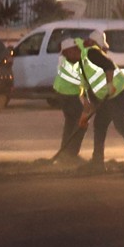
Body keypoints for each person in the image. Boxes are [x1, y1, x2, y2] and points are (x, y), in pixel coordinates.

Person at [84, 35, 124, 167]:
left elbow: (109, 66)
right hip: (108, 95)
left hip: (117, 91)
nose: (105, 52)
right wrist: (94, 102)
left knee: (120, 122)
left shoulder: (91, 52)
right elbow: (89, 83)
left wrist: (109, 86)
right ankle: (97, 159)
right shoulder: (88, 53)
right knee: (100, 124)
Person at [46, 35, 91, 165]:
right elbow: (81, 80)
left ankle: (65, 153)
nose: (78, 52)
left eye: (77, 50)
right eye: (75, 51)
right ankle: (71, 154)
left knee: (71, 123)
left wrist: (84, 43)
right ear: (67, 52)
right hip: (67, 95)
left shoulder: (70, 59)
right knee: (82, 122)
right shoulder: (66, 65)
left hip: (66, 94)